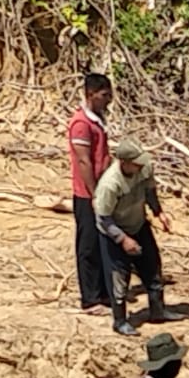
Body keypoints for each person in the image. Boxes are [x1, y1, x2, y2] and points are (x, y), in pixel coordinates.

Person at [94, 139, 183, 336]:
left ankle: (158, 310)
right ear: (124, 162)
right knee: (119, 276)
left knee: (152, 265)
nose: (141, 165)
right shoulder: (110, 185)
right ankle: (120, 321)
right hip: (114, 231)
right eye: (136, 163)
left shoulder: (144, 169)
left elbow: (150, 191)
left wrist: (159, 213)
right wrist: (123, 239)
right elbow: (103, 219)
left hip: (138, 224)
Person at [67, 73, 114, 315]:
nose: (109, 100)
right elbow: (83, 161)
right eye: (104, 95)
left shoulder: (97, 120)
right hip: (87, 194)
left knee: (101, 242)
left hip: (101, 191)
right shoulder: (81, 124)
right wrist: (95, 194)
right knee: (88, 245)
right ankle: (90, 298)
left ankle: (104, 293)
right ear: (90, 94)